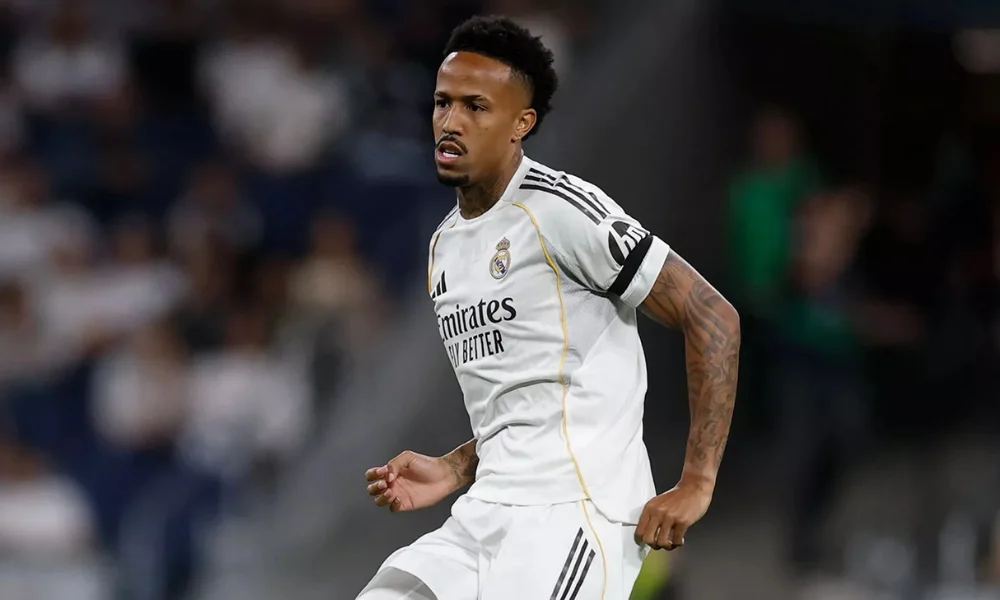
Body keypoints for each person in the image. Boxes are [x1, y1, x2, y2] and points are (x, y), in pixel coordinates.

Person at [360, 15, 741, 600]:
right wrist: (455, 468)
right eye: (442, 102)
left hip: (575, 514)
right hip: (485, 513)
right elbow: (535, 403)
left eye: (476, 107)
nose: (451, 121)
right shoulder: (444, 247)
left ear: (522, 123)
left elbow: (713, 315)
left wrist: (698, 481)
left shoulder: (560, 211)